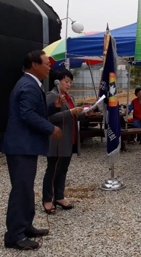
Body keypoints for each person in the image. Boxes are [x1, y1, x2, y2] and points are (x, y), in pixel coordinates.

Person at [3, 50, 63, 251]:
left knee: (26, 188)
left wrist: (53, 107)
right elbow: (27, 114)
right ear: (34, 65)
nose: (49, 67)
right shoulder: (28, 85)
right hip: (21, 146)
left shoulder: (31, 84)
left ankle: (25, 226)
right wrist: (50, 128)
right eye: (46, 63)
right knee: (21, 190)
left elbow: (35, 111)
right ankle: (14, 236)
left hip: (25, 146)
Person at [42, 69, 85, 214]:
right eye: (66, 81)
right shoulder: (51, 96)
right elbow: (48, 118)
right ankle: (47, 199)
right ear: (57, 81)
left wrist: (84, 112)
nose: (68, 84)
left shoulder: (70, 97)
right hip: (57, 139)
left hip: (69, 138)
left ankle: (59, 196)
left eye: (70, 82)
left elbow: (74, 117)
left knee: (63, 169)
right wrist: (70, 112)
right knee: (53, 170)